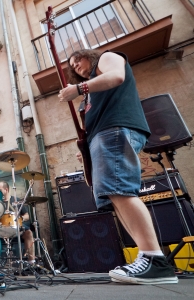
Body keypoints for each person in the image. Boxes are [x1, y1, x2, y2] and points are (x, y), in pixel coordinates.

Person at [58, 49, 177, 284]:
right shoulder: (90, 94)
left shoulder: (107, 58)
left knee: (120, 190)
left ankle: (155, 260)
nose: (76, 66)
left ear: (88, 56)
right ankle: (147, 256)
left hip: (115, 129)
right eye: (72, 65)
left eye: (78, 60)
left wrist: (79, 88)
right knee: (115, 196)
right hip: (103, 137)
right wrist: (87, 149)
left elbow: (117, 77)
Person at [0, 181, 35, 265]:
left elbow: (27, 215)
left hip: (15, 226)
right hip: (0, 228)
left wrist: (20, 218)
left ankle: (31, 262)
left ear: (6, 189)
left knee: (28, 233)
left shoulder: (16, 200)